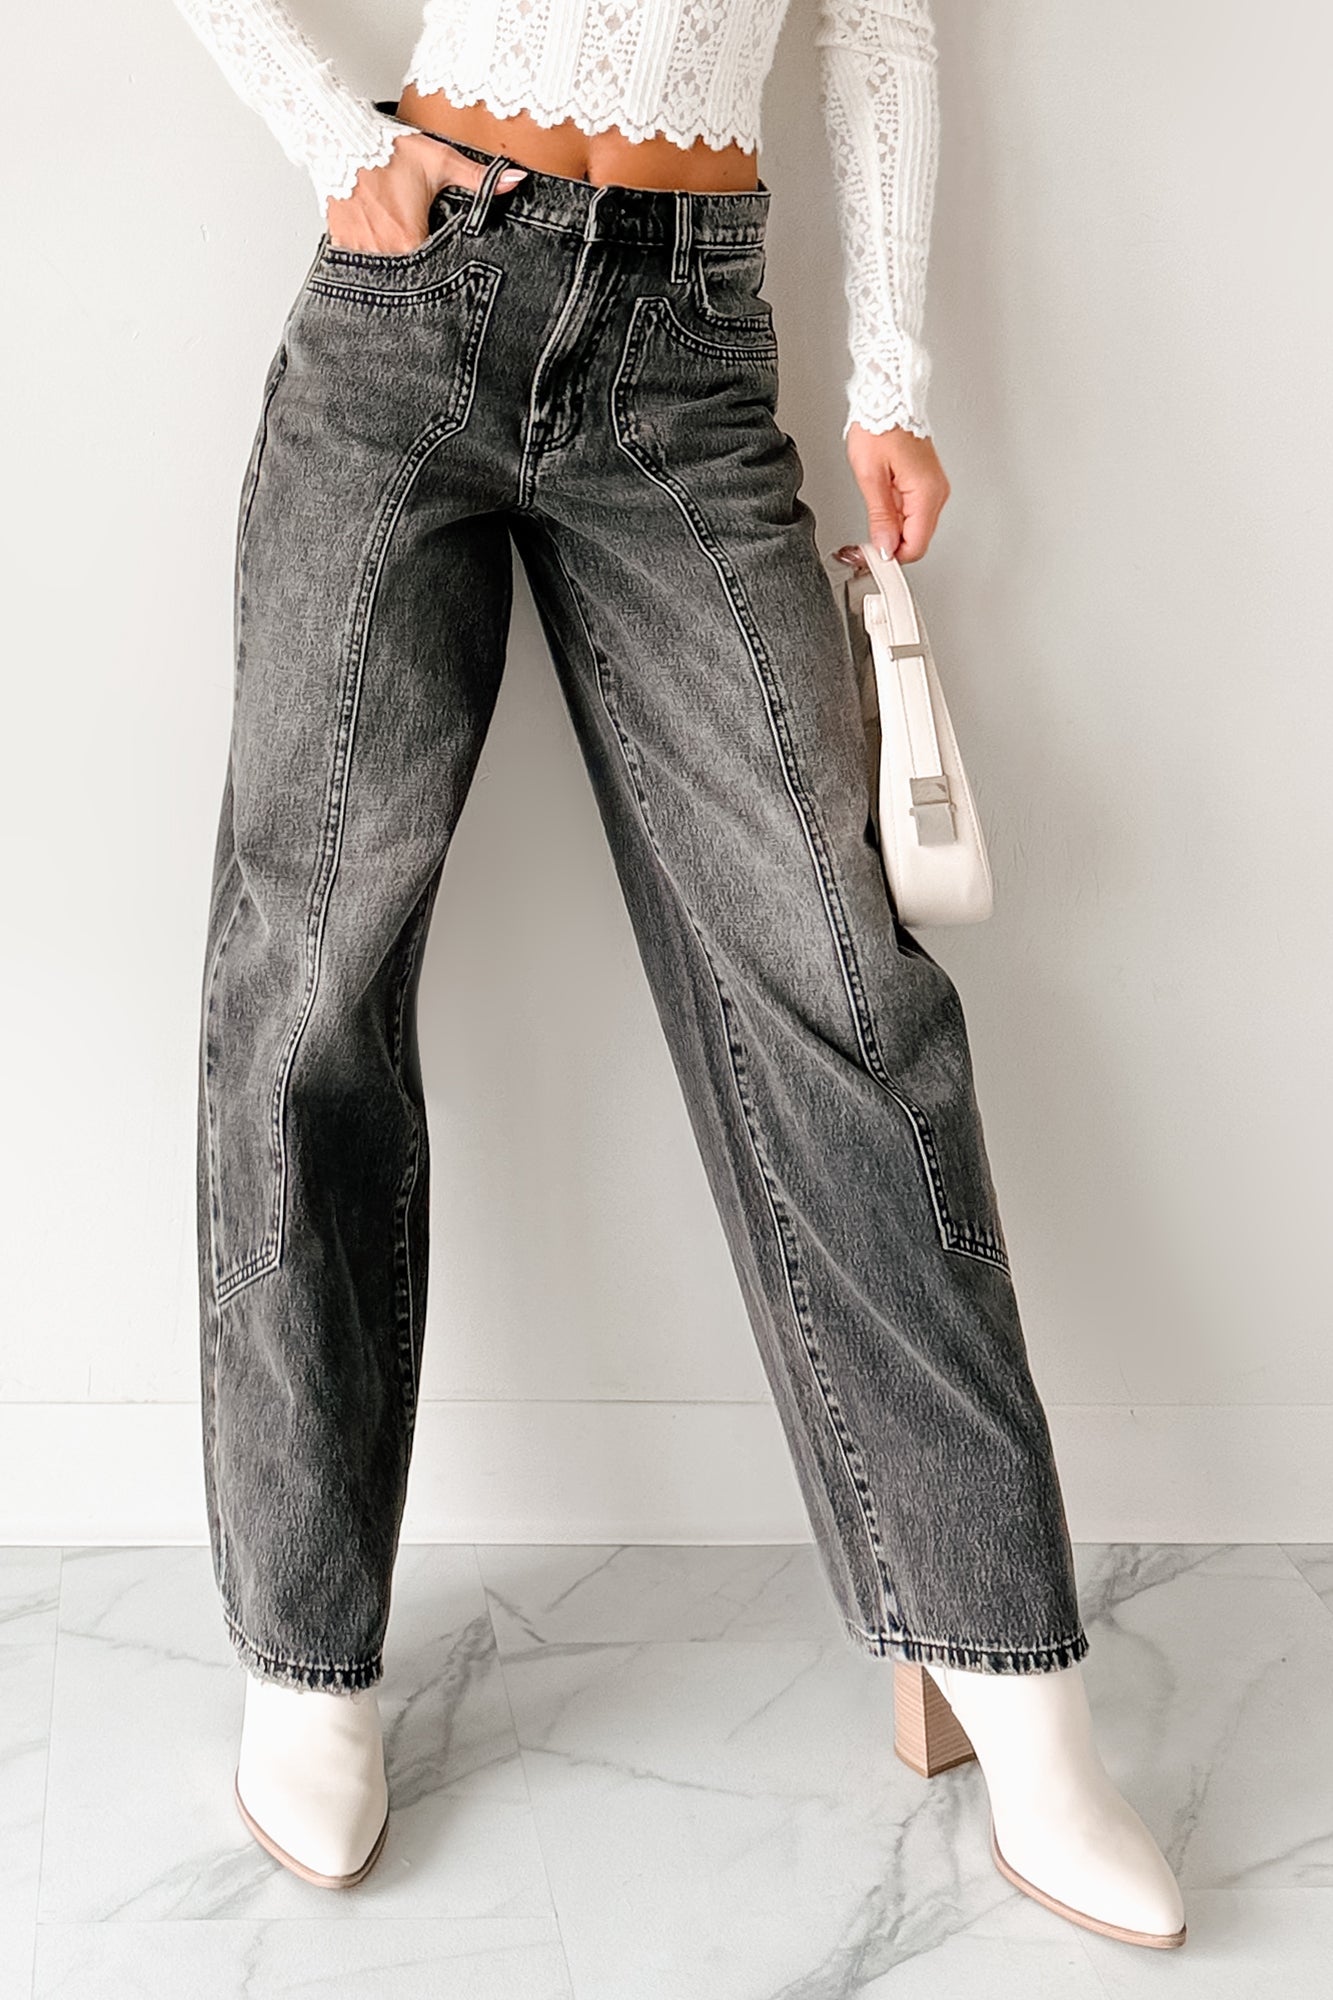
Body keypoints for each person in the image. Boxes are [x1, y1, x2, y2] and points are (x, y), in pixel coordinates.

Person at [173, 0, 1186, 1948]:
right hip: (410, 306)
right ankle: (303, 1652)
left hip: (689, 349)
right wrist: (331, 142)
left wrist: (890, 378)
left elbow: (879, 33)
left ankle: (1004, 1664)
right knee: (308, 981)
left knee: (842, 986)